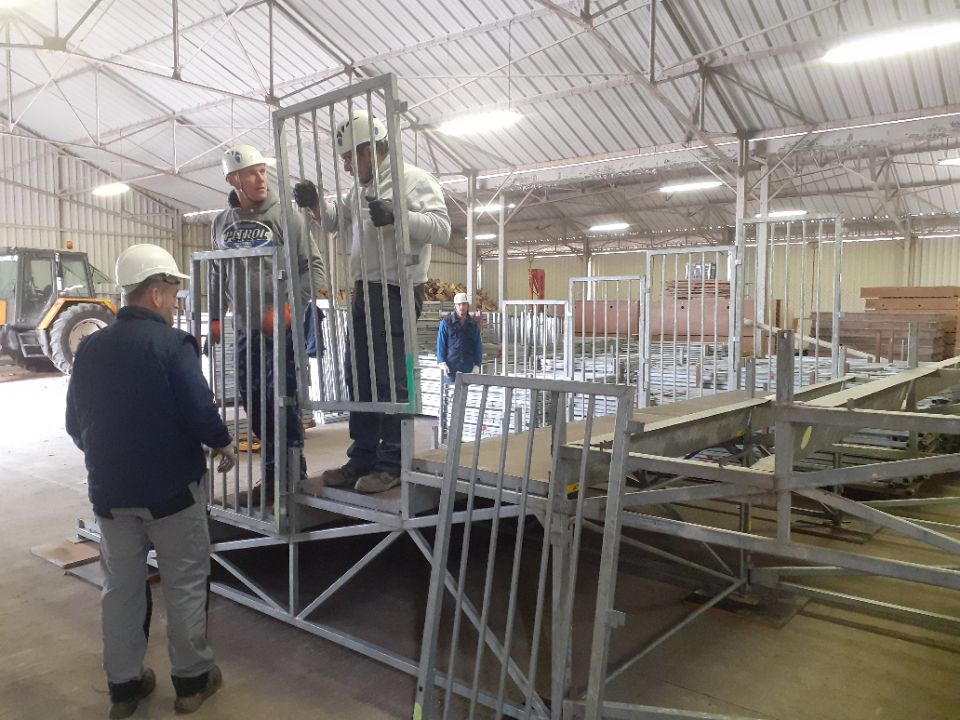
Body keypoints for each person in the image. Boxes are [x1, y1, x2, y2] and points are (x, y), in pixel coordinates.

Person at [65, 244, 235, 718]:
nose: (176, 301)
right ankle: (192, 682)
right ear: (156, 293)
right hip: (172, 495)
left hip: (110, 497)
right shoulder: (173, 345)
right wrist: (221, 442)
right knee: (184, 583)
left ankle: (124, 687)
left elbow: (75, 425)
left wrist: (111, 461)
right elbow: (199, 409)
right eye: (174, 291)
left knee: (120, 589)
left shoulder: (91, 347)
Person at [293, 110, 451, 493]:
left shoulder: (412, 180)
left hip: (397, 290)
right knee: (358, 376)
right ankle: (361, 457)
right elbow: (334, 222)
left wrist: (400, 216)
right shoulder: (358, 191)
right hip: (364, 290)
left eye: (349, 158)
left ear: (368, 150)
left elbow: (443, 228)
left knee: (391, 379)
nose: (346, 166)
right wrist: (315, 206)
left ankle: (392, 461)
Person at [209, 145, 325, 496]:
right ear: (233, 180)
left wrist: (291, 308)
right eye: (251, 173)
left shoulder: (286, 217)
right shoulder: (221, 224)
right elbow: (216, 272)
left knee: (282, 399)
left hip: (282, 330)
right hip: (246, 329)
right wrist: (215, 317)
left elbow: (314, 269)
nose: (260, 179)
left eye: (262, 171)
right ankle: (274, 474)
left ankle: (291, 474)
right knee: (253, 400)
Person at [437, 292, 483, 382]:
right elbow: (441, 344)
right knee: (449, 395)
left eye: (464, 304)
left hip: (467, 368)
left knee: (468, 395)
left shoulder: (473, 325)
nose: (461, 307)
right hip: (450, 369)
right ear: (455, 306)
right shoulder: (446, 323)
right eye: (459, 304)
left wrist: (477, 365)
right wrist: (442, 362)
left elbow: (478, 345)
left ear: (467, 305)